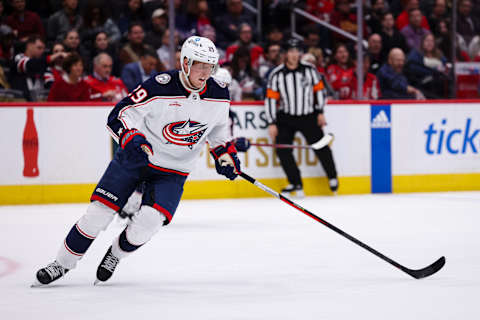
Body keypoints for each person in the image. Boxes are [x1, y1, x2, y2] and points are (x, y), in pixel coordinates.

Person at [34, 36, 241, 286]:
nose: (206, 72)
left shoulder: (219, 93)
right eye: (200, 65)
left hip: (173, 170)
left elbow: (219, 133)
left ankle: (115, 255)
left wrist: (225, 156)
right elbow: (119, 114)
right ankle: (61, 263)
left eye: (210, 66)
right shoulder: (159, 85)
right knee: (97, 215)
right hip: (136, 158)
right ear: (185, 63)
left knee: (149, 222)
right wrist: (131, 136)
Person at [265, 38, 338, 197]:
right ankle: (296, 183)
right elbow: (271, 99)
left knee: (321, 146)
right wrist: (272, 122)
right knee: (283, 149)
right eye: (290, 51)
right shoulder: (277, 74)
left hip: (308, 115)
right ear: (285, 54)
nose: (294, 54)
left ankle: (332, 176)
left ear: (300, 53)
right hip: (286, 117)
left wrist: (320, 112)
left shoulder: (310, 70)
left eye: (296, 51)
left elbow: (319, 91)